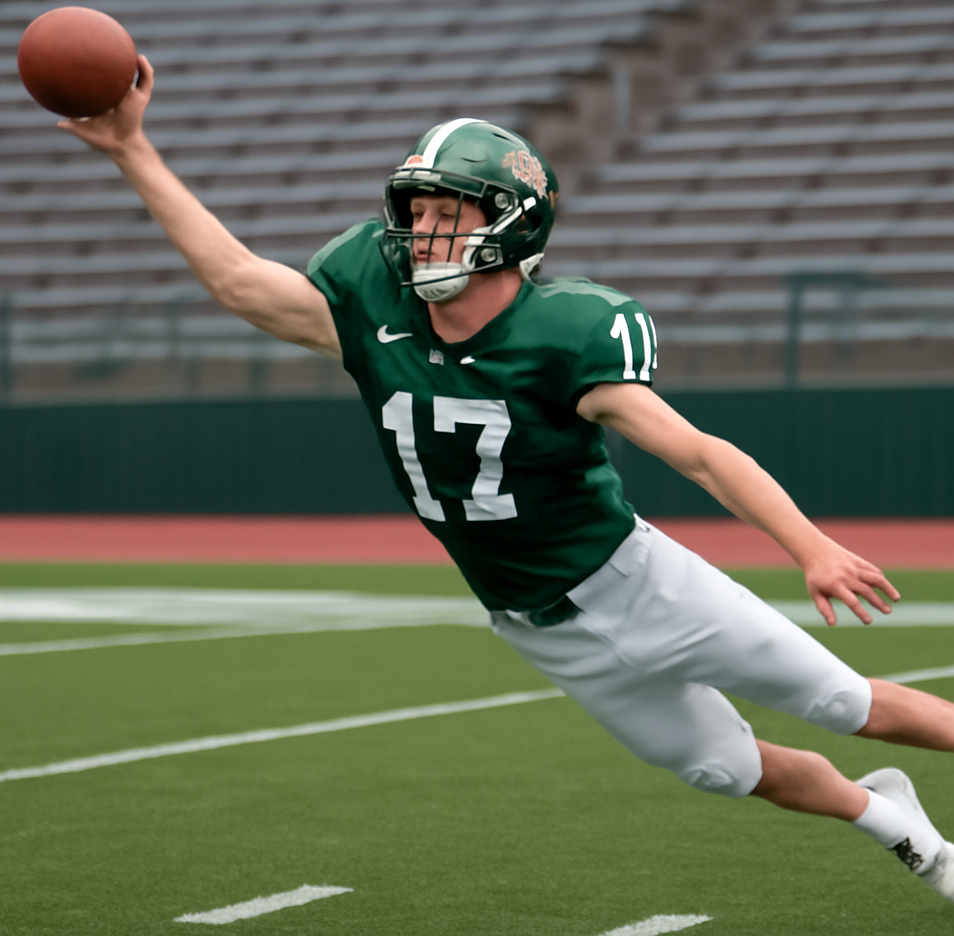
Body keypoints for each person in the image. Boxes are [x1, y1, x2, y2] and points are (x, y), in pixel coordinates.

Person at [60, 55, 954, 904]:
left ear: (510, 223)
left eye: (445, 211)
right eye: (413, 212)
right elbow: (238, 281)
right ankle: (896, 822)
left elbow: (697, 452)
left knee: (848, 704)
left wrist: (812, 548)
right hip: (533, 622)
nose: (419, 231)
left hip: (640, 586)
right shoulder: (375, 315)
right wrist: (134, 149)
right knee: (723, 769)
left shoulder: (565, 333)